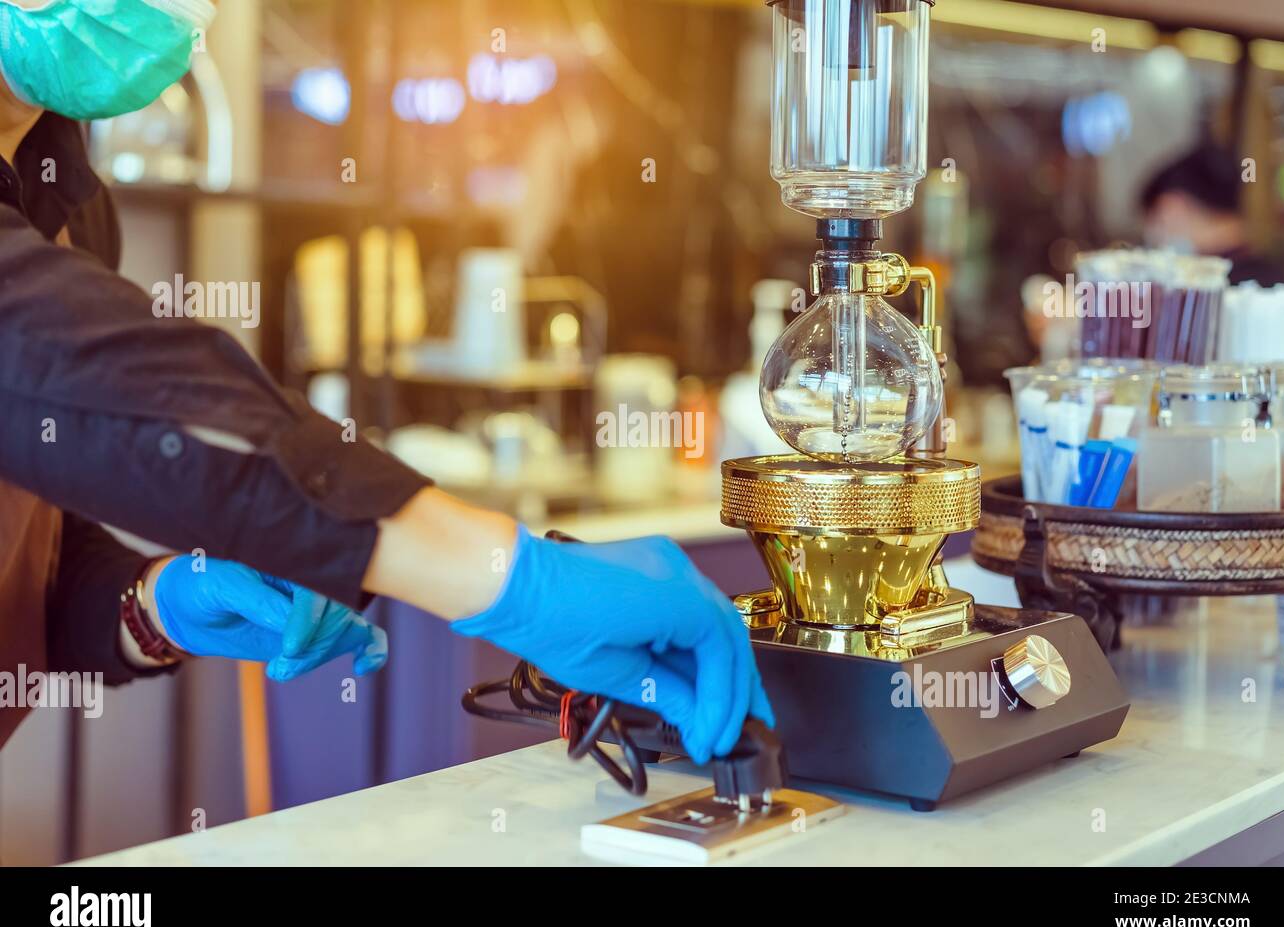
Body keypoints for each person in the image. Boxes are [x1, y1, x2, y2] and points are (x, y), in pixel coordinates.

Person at [0, 0, 771, 765]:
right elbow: (62, 361)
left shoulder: (72, 205)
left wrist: (155, 603)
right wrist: (512, 579)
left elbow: (42, 558)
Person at [1140, 144, 1284, 287]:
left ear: (1172, 206)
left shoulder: (1211, 289)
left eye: (1154, 219)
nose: (1152, 234)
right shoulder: (1273, 280)